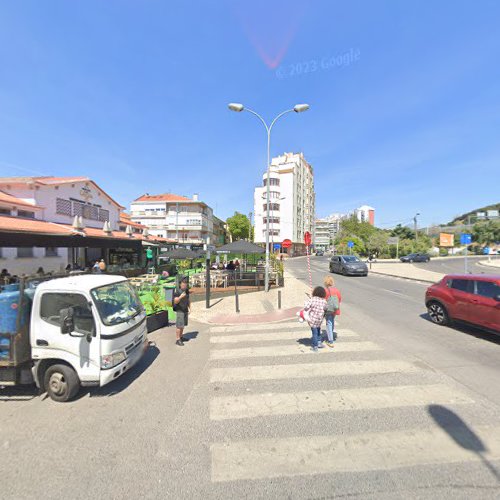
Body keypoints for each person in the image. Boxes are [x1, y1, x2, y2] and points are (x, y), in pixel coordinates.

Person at [303, 286, 328, 352]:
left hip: (313, 319)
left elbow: (306, 307)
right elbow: (326, 308)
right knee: (318, 330)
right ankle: (319, 343)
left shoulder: (312, 299)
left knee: (314, 333)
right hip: (320, 319)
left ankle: (315, 346)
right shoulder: (324, 301)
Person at [323, 276, 342, 347]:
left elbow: (323, 300)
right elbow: (339, 299)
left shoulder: (326, 290)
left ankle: (330, 341)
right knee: (332, 321)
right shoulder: (336, 290)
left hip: (328, 309)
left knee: (329, 323)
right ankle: (331, 336)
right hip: (335, 308)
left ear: (326, 282)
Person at [173, 278, 191, 346]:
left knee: (182, 325)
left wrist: (190, 308)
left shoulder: (186, 291)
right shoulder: (177, 291)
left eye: (185, 285)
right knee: (179, 326)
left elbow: (188, 300)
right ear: (180, 284)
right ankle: (177, 339)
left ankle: (181, 337)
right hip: (179, 310)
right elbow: (175, 301)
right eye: (183, 285)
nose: (184, 286)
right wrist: (180, 297)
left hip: (185, 309)